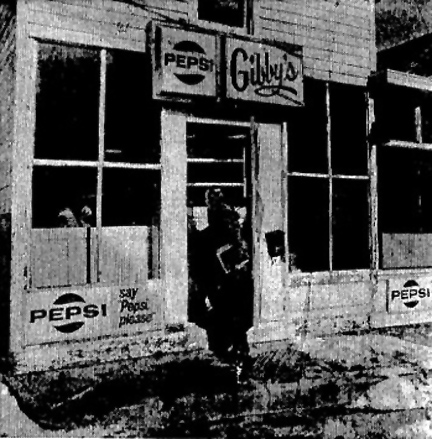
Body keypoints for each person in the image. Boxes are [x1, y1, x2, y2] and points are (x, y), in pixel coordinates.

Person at [193, 188, 253, 380]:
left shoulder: (219, 224)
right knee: (233, 321)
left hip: (227, 281)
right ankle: (239, 357)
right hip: (231, 280)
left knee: (229, 319)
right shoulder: (228, 222)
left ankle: (237, 359)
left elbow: (227, 248)